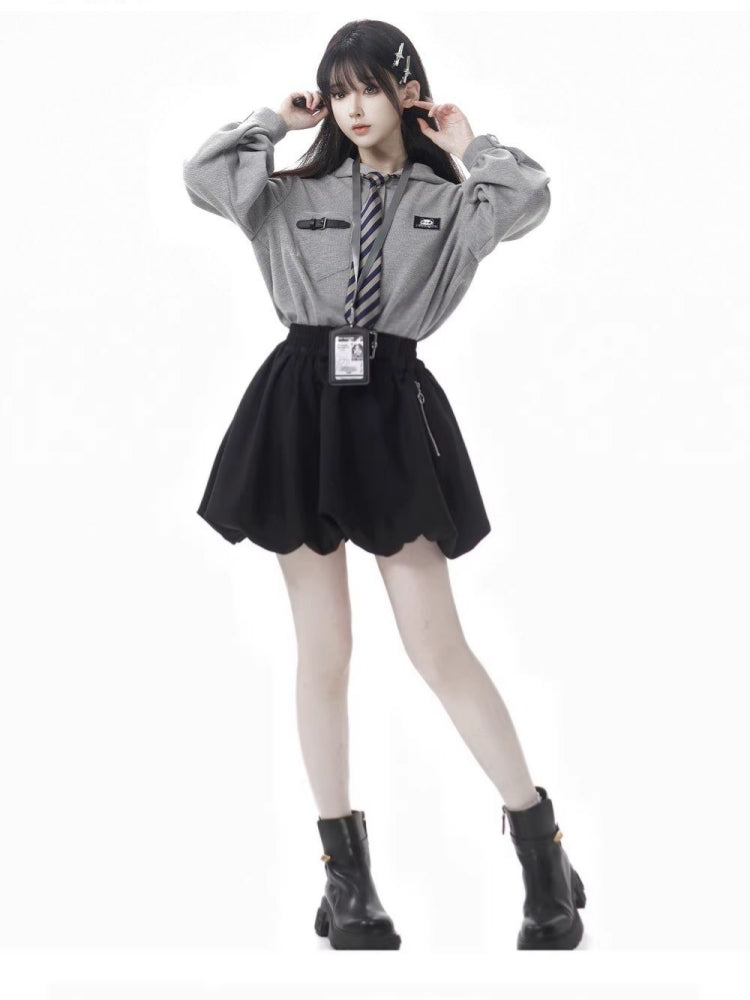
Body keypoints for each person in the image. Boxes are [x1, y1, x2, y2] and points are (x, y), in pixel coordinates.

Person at [182, 18, 585, 951]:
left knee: (437, 647)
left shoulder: (453, 203)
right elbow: (204, 175)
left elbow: (529, 194)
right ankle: (347, 881)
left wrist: (469, 143)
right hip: (299, 408)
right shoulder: (288, 192)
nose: (353, 107)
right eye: (339, 89)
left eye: (370, 87)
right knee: (324, 650)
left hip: (392, 408)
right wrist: (273, 122)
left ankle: (543, 856)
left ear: (407, 91)